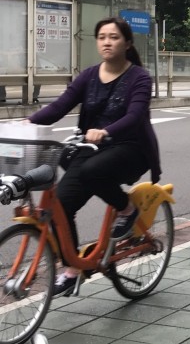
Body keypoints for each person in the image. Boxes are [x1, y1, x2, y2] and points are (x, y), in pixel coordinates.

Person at [27, 17, 161, 297]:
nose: (107, 42)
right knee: (59, 207)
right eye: (102, 37)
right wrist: (26, 125)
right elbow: (60, 106)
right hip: (92, 149)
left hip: (131, 149)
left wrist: (105, 130)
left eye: (113, 37)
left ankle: (126, 208)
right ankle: (73, 270)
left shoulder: (139, 77)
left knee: (91, 172)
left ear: (127, 43)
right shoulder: (89, 75)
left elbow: (135, 117)